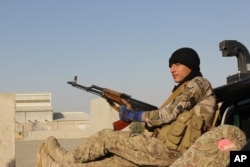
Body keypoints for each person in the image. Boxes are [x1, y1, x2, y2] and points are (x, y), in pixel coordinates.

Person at [37, 48, 217, 167]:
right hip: (164, 149)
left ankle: (67, 159)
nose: (172, 69)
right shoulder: (182, 90)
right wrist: (131, 113)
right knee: (111, 163)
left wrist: (136, 115)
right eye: (170, 65)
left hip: (170, 152)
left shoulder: (199, 83)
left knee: (107, 138)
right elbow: (166, 123)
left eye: (177, 64)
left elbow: (167, 115)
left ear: (191, 65)